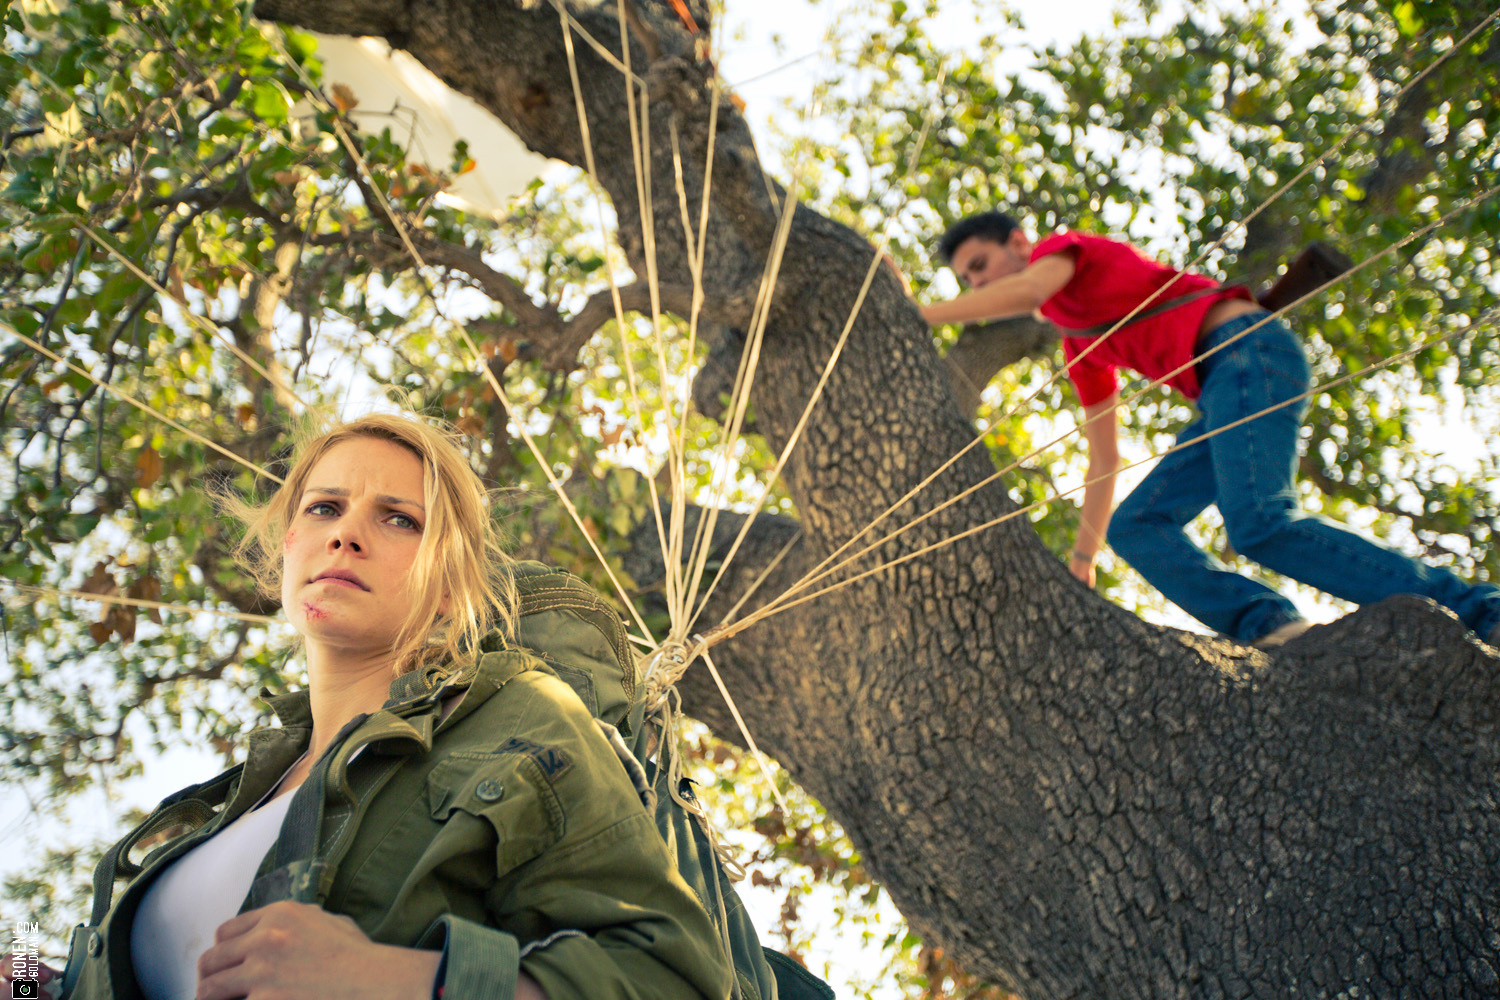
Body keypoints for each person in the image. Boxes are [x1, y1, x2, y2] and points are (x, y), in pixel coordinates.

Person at [3, 412, 734, 1000]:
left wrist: (403, 982)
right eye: (324, 508)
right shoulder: (223, 807)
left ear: (449, 585)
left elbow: (673, 976)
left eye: (398, 520)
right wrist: (35, 983)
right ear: (290, 549)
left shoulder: (518, 723)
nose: (345, 533)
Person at [920, 210, 1500, 648]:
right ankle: (1271, 627)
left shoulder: (1063, 254)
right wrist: (1081, 558)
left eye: (979, 267)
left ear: (1019, 243)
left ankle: (1477, 611)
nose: (977, 286)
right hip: (1225, 382)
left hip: (1246, 353)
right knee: (1136, 525)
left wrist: (918, 313)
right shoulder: (1082, 345)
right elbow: (1103, 459)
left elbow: (1027, 289)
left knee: (1260, 523)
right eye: (967, 280)